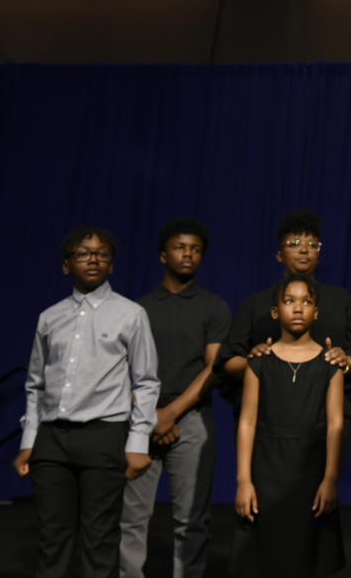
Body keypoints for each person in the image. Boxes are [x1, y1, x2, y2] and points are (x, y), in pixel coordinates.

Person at [214, 208, 351, 576]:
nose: (303, 250)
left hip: (321, 425)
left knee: (314, 521)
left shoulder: (341, 300)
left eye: (312, 244)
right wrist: (256, 359)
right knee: (263, 533)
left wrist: (342, 360)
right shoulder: (256, 305)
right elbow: (227, 362)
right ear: (278, 254)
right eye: (294, 243)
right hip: (268, 433)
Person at [13, 226, 160, 578]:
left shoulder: (131, 314)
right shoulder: (49, 317)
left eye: (102, 254)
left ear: (111, 265)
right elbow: (35, 384)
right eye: (83, 253)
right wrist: (29, 441)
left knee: (100, 538)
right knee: (53, 538)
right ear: (66, 265)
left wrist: (138, 441)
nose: (93, 259)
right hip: (52, 439)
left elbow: (147, 381)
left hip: (104, 435)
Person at [120, 219, 231, 578]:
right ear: (162, 254)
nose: (188, 254)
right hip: (142, 416)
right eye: (181, 247)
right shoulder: (138, 309)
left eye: (196, 249)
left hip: (192, 417)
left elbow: (214, 367)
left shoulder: (214, 307)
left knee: (192, 519)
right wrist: (152, 415)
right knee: (132, 518)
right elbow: (126, 370)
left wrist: (171, 414)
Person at [234, 273, 345, 577]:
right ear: (275, 311)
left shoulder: (330, 364)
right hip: (266, 469)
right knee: (264, 555)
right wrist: (244, 481)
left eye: (306, 302)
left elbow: (335, 424)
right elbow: (247, 422)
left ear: (316, 312)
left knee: (308, 555)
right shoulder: (259, 363)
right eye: (289, 301)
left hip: (310, 468)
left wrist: (330, 478)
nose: (298, 308)